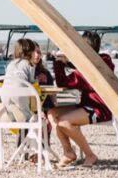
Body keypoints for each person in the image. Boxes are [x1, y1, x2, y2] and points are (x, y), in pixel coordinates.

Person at [47, 30, 114, 167]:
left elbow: (62, 82)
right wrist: (68, 63)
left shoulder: (88, 70)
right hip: (90, 104)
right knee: (52, 113)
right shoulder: (103, 61)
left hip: (99, 108)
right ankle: (68, 152)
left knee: (64, 122)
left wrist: (59, 62)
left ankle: (90, 155)